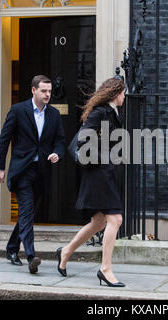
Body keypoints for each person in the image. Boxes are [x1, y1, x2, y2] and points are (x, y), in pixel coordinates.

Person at [56, 77, 126, 287]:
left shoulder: (112, 113)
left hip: (104, 173)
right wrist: (102, 158)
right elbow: (82, 140)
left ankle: (66, 251)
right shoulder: (100, 112)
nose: (125, 96)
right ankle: (105, 269)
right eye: (123, 92)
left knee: (98, 222)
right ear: (115, 94)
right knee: (115, 220)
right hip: (98, 174)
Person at [0, 75, 66, 274]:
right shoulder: (18, 110)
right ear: (33, 90)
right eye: (44, 91)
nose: (47, 94)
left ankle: (11, 249)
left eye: (49, 91)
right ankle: (32, 256)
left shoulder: (53, 115)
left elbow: (60, 140)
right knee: (26, 212)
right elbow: (4, 139)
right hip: (22, 170)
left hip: (42, 171)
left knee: (28, 214)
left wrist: (57, 153)